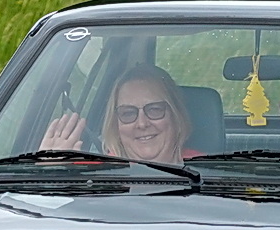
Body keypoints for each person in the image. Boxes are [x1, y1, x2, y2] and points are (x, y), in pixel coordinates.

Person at [40, 63, 198, 163]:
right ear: (116, 125)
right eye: (128, 113)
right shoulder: (95, 173)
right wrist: (48, 173)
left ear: (176, 115)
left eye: (154, 110)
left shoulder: (210, 171)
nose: (142, 123)